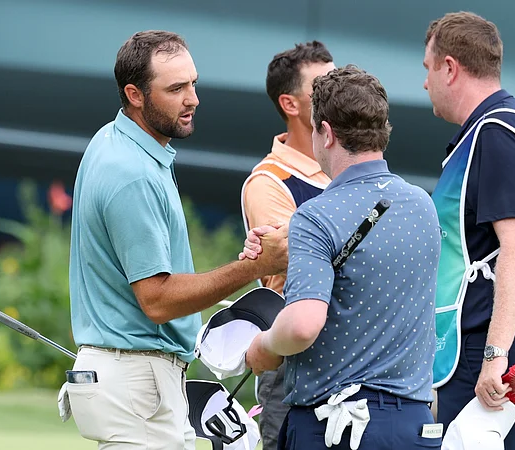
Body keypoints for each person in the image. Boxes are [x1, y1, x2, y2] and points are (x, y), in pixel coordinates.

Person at [65, 30, 287, 450]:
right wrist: (255, 267)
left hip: (136, 382)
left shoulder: (120, 142)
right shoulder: (131, 173)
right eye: (176, 88)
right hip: (137, 387)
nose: (193, 99)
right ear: (134, 94)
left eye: (193, 83)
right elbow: (158, 300)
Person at [243, 65, 443, 450]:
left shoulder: (316, 215)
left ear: (327, 133)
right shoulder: (422, 205)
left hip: (337, 428)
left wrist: (263, 347)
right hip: (414, 425)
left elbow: (302, 326)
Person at [422, 12, 515, 450]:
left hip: (498, 354)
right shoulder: (496, 129)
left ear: (450, 67)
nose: (425, 83)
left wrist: (494, 355)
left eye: (427, 70)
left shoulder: (497, 131)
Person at [239, 41, 335, 450]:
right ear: (290, 104)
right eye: (323, 86)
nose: (337, 91)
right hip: (292, 367)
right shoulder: (269, 182)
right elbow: (296, 265)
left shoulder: (346, 162)